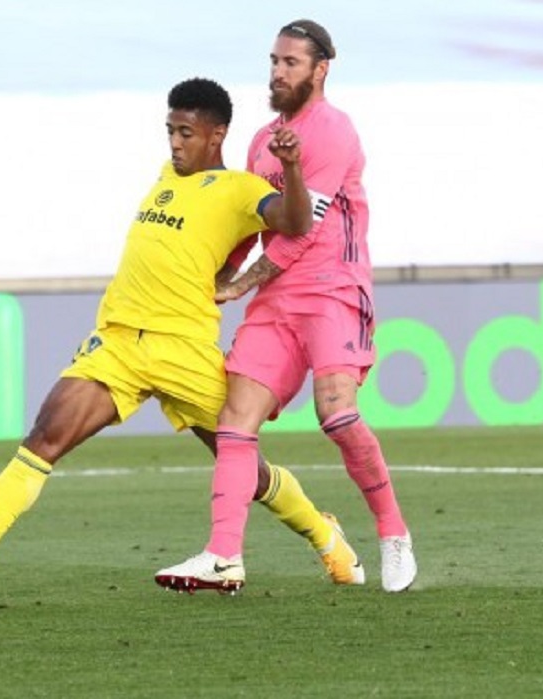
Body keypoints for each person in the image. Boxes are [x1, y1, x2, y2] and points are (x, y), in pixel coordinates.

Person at [0, 77, 365, 604]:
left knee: (247, 473)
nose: (175, 143)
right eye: (170, 131)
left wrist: (295, 168)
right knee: (44, 438)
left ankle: (329, 540)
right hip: (118, 344)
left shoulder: (240, 189)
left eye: (186, 132)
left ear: (216, 135)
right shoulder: (166, 177)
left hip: (184, 348)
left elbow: (298, 221)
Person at [156, 20, 417, 594]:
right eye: (274, 61)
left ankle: (393, 532)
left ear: (321, 69)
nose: (277, 72)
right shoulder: (261, 141)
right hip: (278, 304)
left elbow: (300, 233)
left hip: (332, 289)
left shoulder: (333, 132)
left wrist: (238, 285)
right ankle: (223, 555)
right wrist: (214, 273)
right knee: (234, 423)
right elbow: (256, 224)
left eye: (290, 63)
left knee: (337, 415)